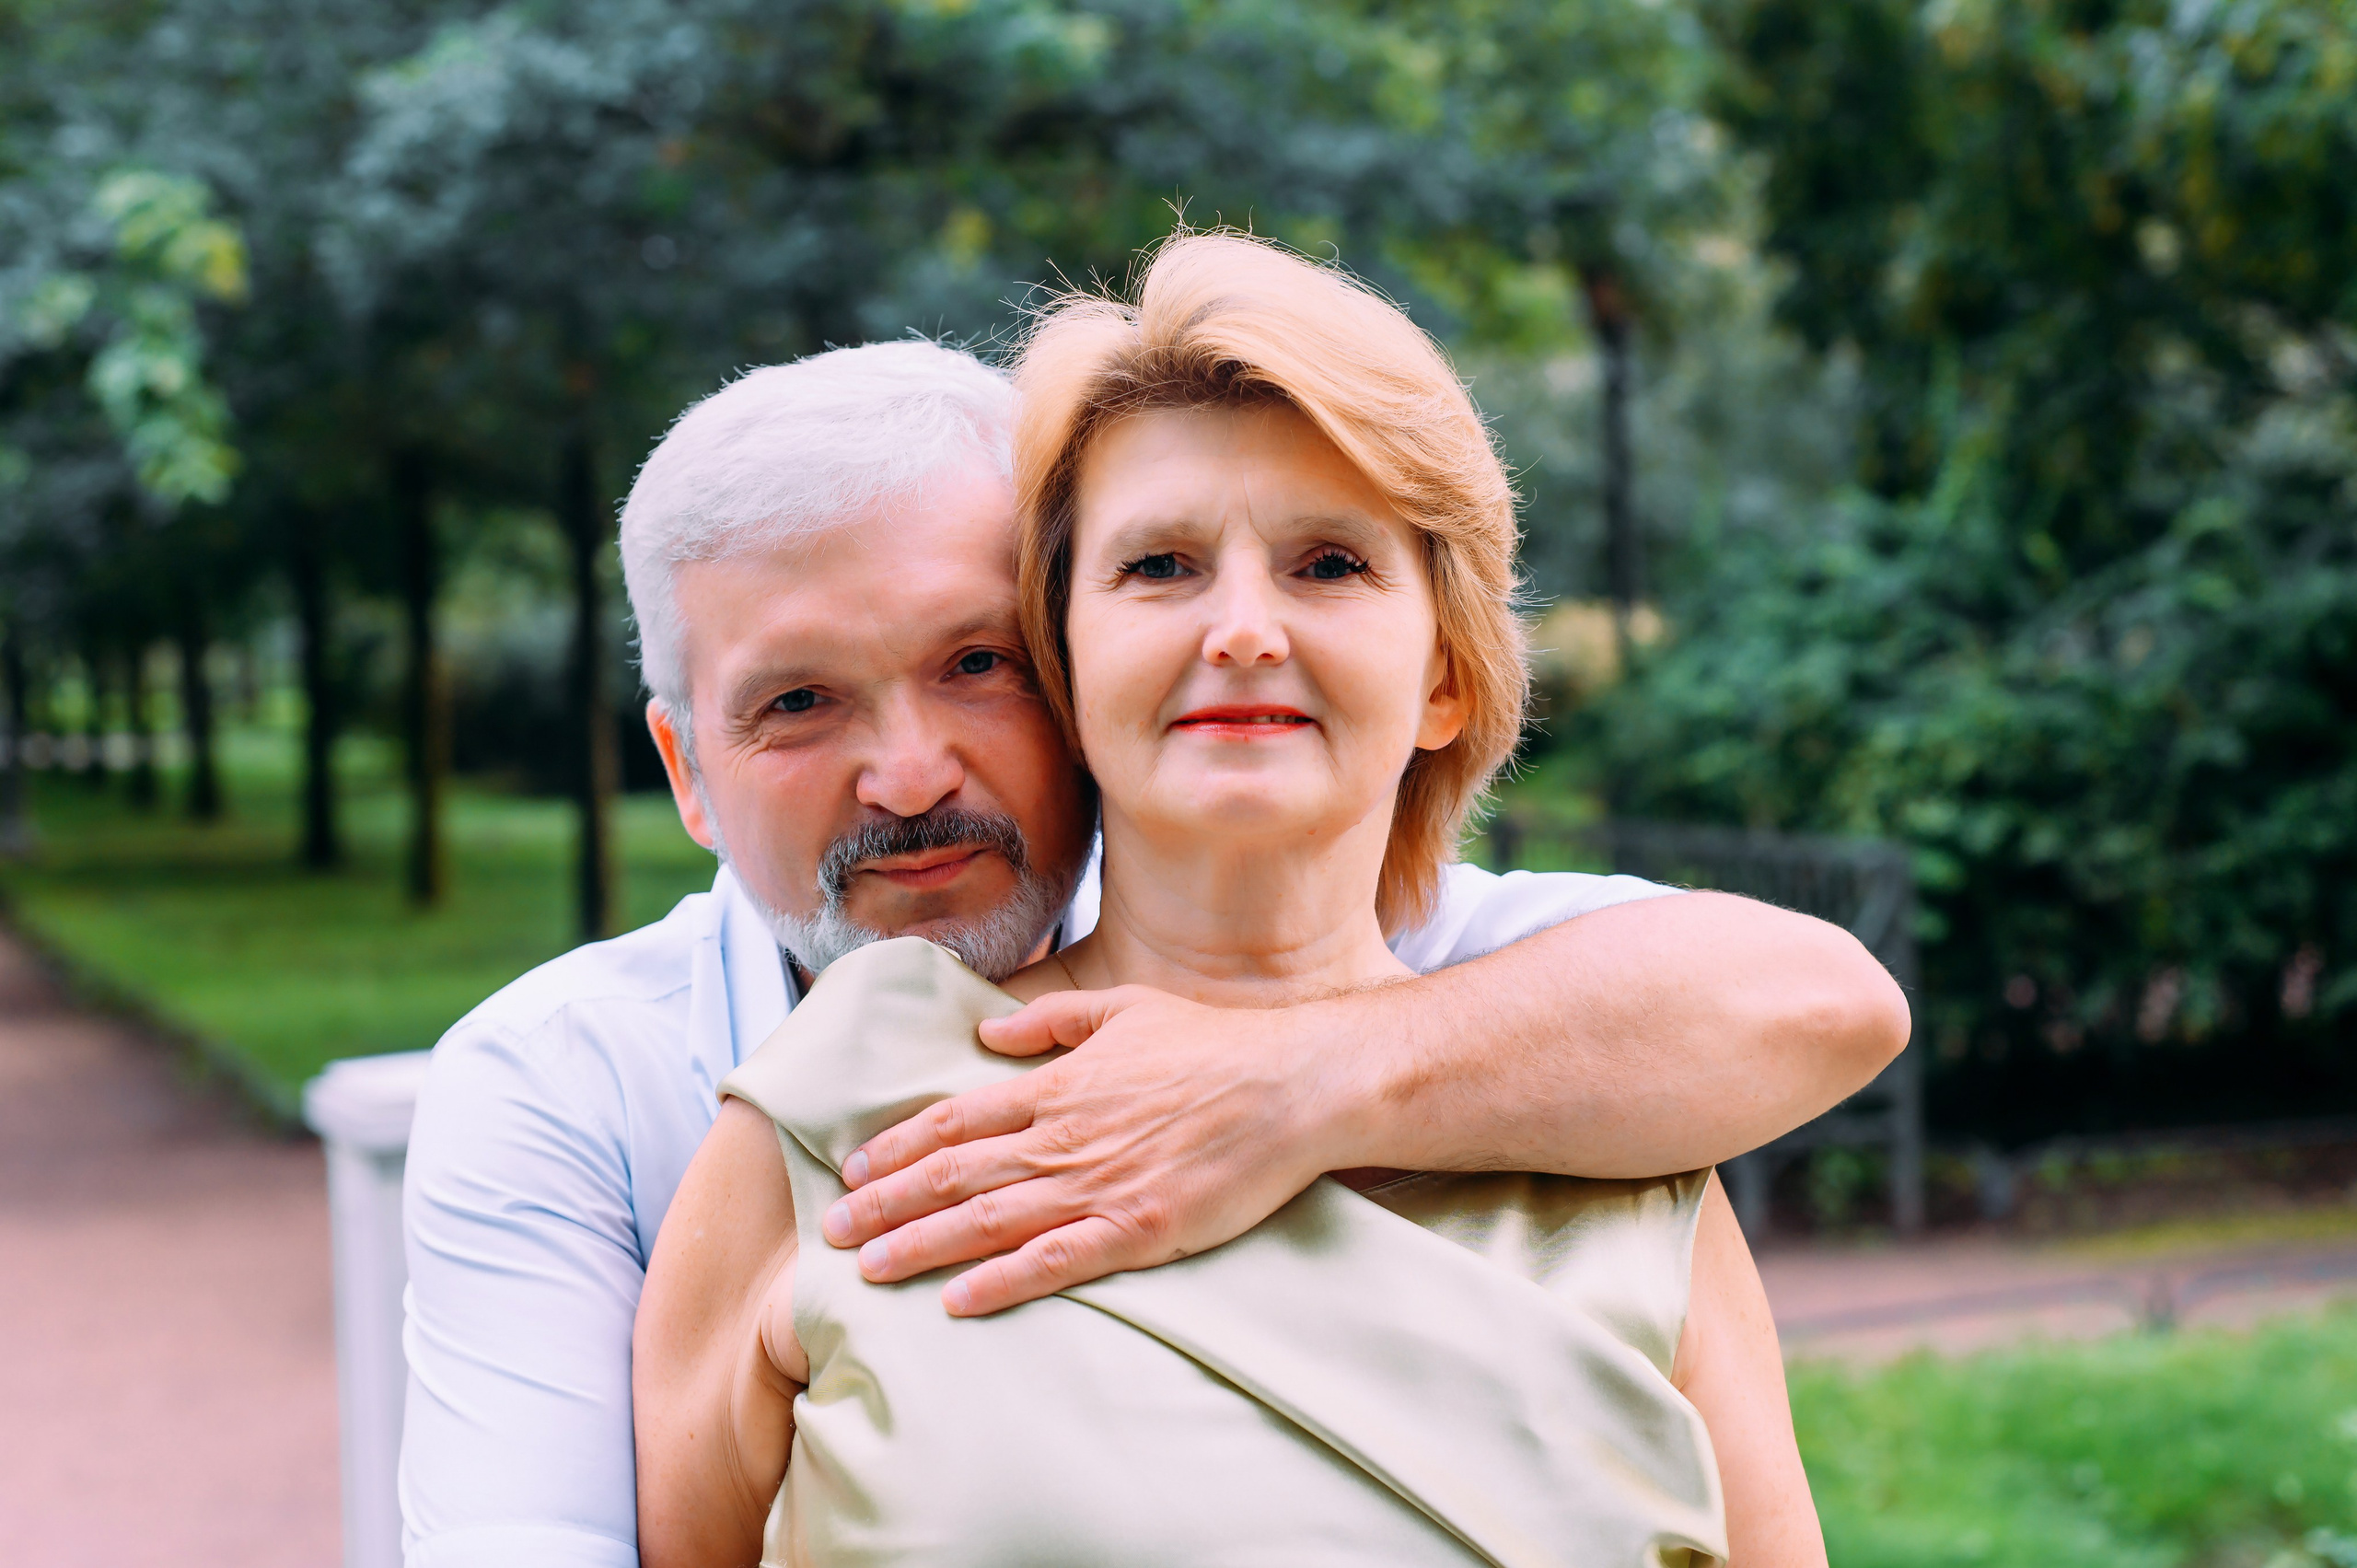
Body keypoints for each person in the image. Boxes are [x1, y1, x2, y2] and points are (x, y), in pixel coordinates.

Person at [399, 332, 1907, 1564]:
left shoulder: (1538, 1034)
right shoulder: (605, 1096)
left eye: (974, 664)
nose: (910, 776)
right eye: (797, 704)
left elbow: (1819, 1001)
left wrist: (1293, 1081)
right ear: (683, 771)